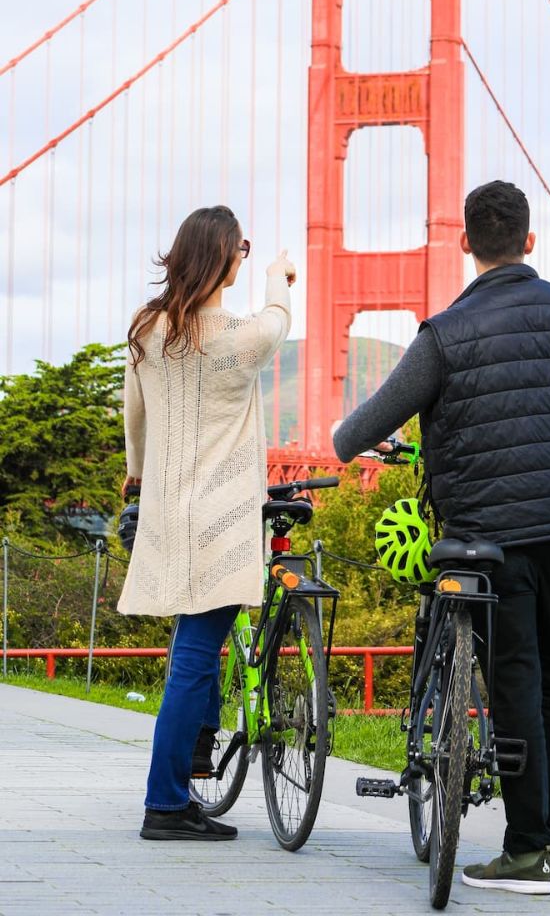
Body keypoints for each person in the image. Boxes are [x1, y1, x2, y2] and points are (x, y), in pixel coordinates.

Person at [333, 180, 550, 894]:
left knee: (514, 681)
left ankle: (524, 851)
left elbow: (355, 435)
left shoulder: (444, 333)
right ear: (530, 242)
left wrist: (357, 437)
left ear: (466, 243)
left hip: (487, 536)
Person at [119, 204, 295, 841]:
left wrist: (137, 478)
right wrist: (278, 275)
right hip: (221, 522)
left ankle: (182, 785)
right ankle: (164, 804)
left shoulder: (146, 330)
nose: (244, 258)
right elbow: (277, 322)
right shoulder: (237, 337)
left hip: (170, 516)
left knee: (192, 652)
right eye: (240, 249)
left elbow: (134, 417)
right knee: (196, 655)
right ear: (225, 259)